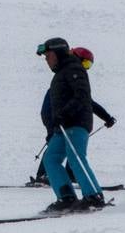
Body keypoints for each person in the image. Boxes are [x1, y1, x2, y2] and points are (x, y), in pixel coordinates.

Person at [27, 47, 116, 185]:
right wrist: (53, 123)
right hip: (52, 115)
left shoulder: (75, 76)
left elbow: (87, 102)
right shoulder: (68, 75)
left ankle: (70, 173)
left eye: (89, 65)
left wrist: (107, 117)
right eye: (85, 63)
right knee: (54, 143)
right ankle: (43, 175)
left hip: (65, 116)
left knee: (72, 144)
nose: (85, 68)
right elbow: (83, 101)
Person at [37, 37, 107, 212]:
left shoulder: (74, 68)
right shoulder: (61, 73)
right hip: (62, 126)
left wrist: (64, 114)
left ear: (59, 53)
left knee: (76, 157)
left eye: (49, 55)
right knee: (51, 159)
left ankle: (94, 196)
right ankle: (66, 197)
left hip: (76, 122)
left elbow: (82, 96)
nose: (47, 60)